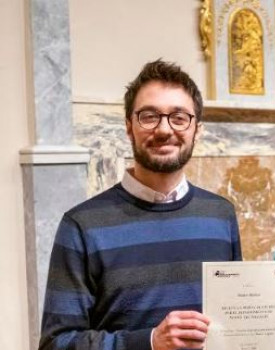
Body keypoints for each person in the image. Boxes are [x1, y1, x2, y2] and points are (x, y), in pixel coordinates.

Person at [39, 60, 242, 350]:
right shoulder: (81, 225)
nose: (163, 129)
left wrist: (274, 324)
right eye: (149, 116)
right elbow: (55, 344)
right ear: (128, 127)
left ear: (197, 129)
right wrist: (148, 341)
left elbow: (232, 324)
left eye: (179, 117)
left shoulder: (221, 215)